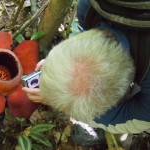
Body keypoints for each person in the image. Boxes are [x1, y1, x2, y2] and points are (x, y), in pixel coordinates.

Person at [22, 0, 150, 137]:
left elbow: (131, 118)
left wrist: (62, 104)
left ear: (123, 91)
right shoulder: (89, 7)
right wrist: (59, 68)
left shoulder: (90, 10)